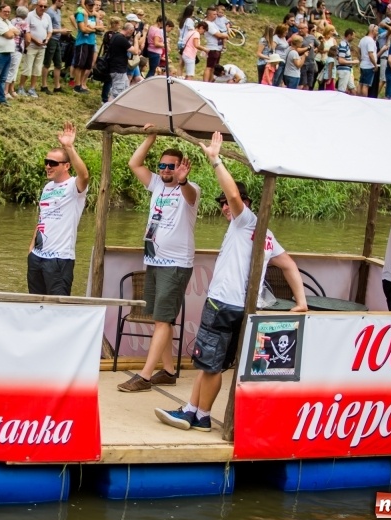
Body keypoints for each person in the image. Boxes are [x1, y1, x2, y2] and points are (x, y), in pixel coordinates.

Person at [154, 132, 307, 432]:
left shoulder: (245, 220)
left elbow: (235, 198)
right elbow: (289, 265)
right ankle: (192, 411)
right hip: (238, 307)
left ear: (247, 204)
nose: (226, 206)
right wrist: (300, 301)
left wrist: (215, 160)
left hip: (223, 305)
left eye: (229, 203)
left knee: (210, 365)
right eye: (222, 203)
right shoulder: (264, 232)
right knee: (208, 362)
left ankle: (201, 414)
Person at [117, 125, 201, 393]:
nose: (165, 170)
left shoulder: (190, 189)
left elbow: (190, 195)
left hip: (175, 264)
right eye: (162, 166)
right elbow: (134, 163)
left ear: (181, 168)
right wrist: (150, 138)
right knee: (159, 317)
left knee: (164, 319)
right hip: (154, 261)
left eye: (171, 166)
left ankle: (144, 376)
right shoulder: (156, 184)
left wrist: (183, 181)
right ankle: (168, 371)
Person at [28, 122, 90, 296]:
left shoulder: (74, 187)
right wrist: (31, 249)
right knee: (34, 304)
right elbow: (42, 218)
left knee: (57, 307)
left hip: (59, 259)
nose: (48, 166)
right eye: (46, 162)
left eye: (53, 163)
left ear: (66, 166)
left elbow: (84, 175)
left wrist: (69, 147)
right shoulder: (47, 188)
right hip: (37, 257)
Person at [15, 0, 51, 97]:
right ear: (36, 5)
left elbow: (50, 31)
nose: (43, 8)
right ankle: (21, 87)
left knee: (37, 69)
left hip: (42, 47)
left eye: (45, 6)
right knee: (27, 67)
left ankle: (32, 88)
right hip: (31, 46)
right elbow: (26, 31)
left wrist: (47, 39)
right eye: (41, 6)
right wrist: (35, 40)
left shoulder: (47, 17)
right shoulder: (30, 15)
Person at [41, 0, 69, 94]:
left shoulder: (58, 11)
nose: (63, 4)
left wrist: (62, 31)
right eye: (61, 2)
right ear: (56, 1)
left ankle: (57, 86)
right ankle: (44, 85)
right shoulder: (49, 12)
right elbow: (48, 28)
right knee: (47, 63)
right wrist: (61, 31)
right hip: (51, 39)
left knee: (58, 63)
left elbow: (57, 26)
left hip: (57, 39)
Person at [106, 21, 138, 100]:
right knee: (116, 94)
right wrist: (136, 39)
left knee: (124, 90)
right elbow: (135, 51)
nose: (132, 34)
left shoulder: (115, 36)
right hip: (118, 70)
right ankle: (109, 106)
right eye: (132, 32)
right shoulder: (121, 39)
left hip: (118, 69)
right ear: (129, 30)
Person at [202, 6, 228, 83]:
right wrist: (226, 36)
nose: (216, 16)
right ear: (209, 15)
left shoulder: (213, 23)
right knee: (209, 67)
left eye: (216, 14)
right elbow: (218, 35)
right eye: (214, 14)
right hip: (212, 48)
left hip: (217, 48)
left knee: (214, 67)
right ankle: (205, 82)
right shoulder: (208, 24)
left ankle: (210, 82)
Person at [336, 28, 357, 94]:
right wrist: (353, 62)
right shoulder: (343, 45)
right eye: (353, 36)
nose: (354, 38)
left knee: (353, 89)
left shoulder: (346, 45)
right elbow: (341, 60)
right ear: (349, 35)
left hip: (347, 70)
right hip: (343, 70)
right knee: (341, 91)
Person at [358, 23, 377, 97]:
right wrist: (375, 65)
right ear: (372, 30)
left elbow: (358, 50)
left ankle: (358, 97)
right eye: (376, 31)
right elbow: (370, 54)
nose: (377, 33)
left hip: (363, 64)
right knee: (365, 85)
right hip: (369, 66)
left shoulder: (362, 39)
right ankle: (364, 99)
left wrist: (361, 59)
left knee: (361, 83)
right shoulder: (370, 41)